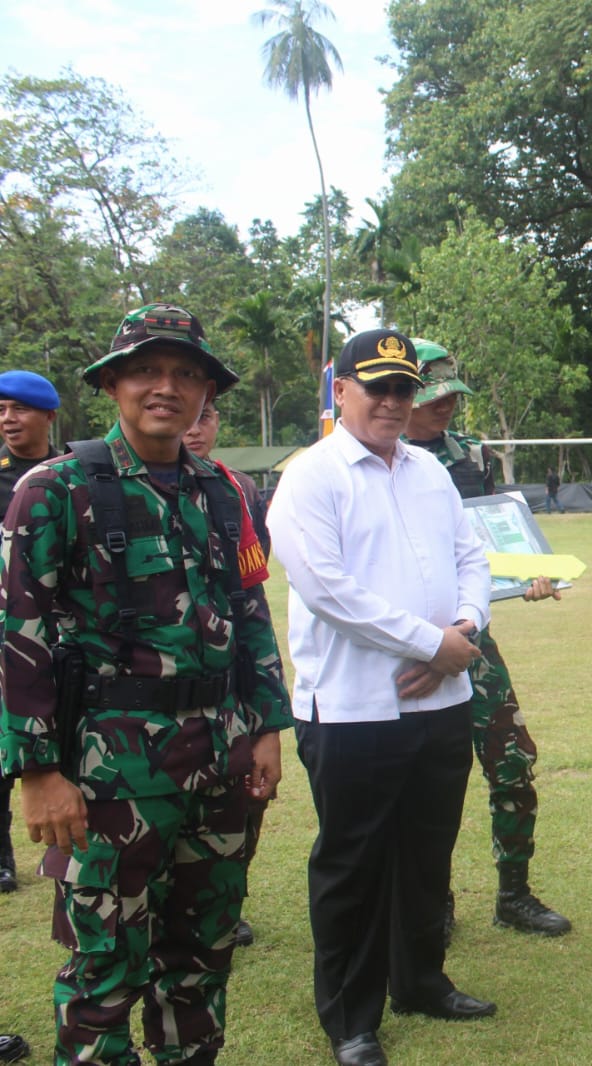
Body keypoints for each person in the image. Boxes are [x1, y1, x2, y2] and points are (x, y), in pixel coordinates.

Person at [0, 304, 290, 1064]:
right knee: (102, 971)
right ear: (114, 384)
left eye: (186, 374)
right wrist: (36, 772)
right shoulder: (56, 489)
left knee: (201, 959)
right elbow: (16, 633)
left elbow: (248, 611)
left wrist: (265, 728)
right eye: (147, 371)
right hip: (107, 774)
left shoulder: (224, 491)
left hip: (219, 759)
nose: (167, 387)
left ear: (204, 393)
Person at [268, 329, 495, 1066]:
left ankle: (420, 980)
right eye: (378, 388)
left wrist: (464, 626)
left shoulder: (428, 469)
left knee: (427, 855)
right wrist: (432, 645)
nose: (394, 402)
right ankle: (351, 1016)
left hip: (440, 703)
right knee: (353, 866)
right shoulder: (312, 475)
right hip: (354, 709)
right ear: (340, 392)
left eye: (403, 388)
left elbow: (470, 556)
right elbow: (328, 590)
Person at [404, 339, 570, 937]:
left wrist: (526, 577)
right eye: (433, 394)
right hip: (407, 647)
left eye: (451, 393)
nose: (445, 404)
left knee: (512, 762)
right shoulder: (375, 460)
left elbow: (493, 544)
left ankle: (514, 894)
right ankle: (432, 902)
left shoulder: (468, 457)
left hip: (474, 638)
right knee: (426, 783)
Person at [182, 400, 273, 949]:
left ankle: (225, 901)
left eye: (206, 416)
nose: (194, 428)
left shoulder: (234, 489)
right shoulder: (69, 483)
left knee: (238, 803)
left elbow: (248, 596)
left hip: (227, 687)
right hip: (124, 715)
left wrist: (267, 718)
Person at [0, 369, 61, 898]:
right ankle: (2, 858)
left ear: (48, 415)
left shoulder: (73, 474)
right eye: (1, 410)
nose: (8, 419)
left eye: (18, 409)